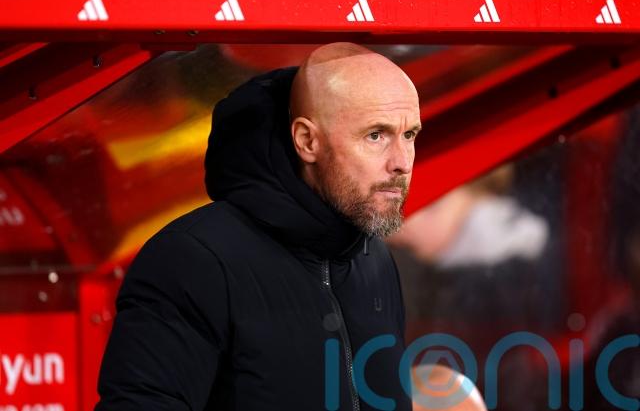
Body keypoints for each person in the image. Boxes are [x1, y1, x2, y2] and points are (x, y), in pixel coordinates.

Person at [95, 42, 421, 410]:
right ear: (307, 141)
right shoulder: (194, 258)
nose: (401, 162)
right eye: (376, 135)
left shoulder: (372, 258)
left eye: (409, 135)